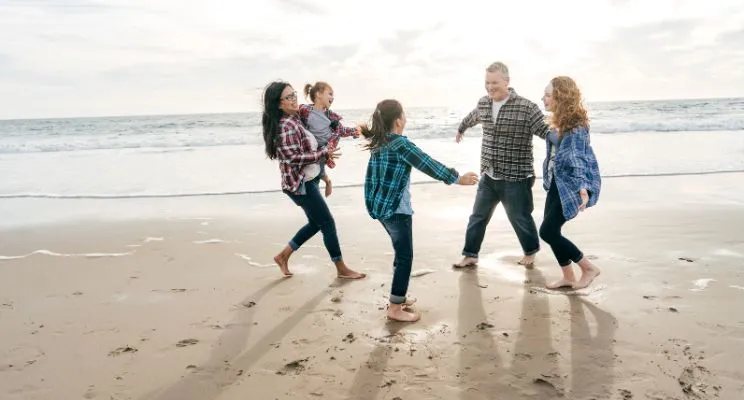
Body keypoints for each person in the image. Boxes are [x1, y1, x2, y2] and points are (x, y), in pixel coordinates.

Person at [362, 99, 479, 322]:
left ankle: (398, 297)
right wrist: (457, 178)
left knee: (400, 253)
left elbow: (371, 178)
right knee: (405, 256)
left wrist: (373, 205)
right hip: (397, 210)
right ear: (398, 121)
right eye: (404, 115)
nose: (405, 118)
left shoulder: (380, 143)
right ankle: (395, 308)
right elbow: (427, 163)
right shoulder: (400, 144)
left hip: (381, 209)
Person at [261, 80, 365, 280]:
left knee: (316, 223)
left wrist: (324, 174)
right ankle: (341, 268)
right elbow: (292, 158)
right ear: (278, 103)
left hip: (308, 180)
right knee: (327, 223)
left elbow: (315, 141)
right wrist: (323, 153)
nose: (294, 100)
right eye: (288, 97)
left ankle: (283, 256)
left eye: (294, 95)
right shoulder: (286, 126)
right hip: (300, 184)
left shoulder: (297, 118)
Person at [453, 61, 549, 268]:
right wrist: (461, 129)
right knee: (478, 216)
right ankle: (470, 255)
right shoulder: (483, 103)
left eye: (494, 82)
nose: (490, 87)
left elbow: (545, 130)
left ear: (507, 81)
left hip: (516, 176)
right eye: (487, 82)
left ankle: (530, 252)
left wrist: (566, 140)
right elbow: (472, 117)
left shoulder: (526, 107)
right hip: (489, 174)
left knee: (519, 217)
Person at [539, 76, 601, 289]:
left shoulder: (575, 125)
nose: (543, 99)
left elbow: (578, 157)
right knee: (551, 231)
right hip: (558, 182)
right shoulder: (560, 121)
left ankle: (588, 268)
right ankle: (568, 277)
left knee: (547, 231)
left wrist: (582, 187)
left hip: (570, 183)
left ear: (560, 97)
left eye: (548, 95)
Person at [299, 81, 360, 197]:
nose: (333, 97)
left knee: (319, 172)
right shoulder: (305, 111)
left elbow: (342, 130)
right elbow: (293, 118)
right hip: (311, 149)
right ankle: (316, 186)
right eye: (330, 94)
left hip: (325, 150)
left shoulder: (331, 117)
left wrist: (355, 131)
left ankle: (327, 182)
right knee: (310, 171)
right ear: (318, 94)